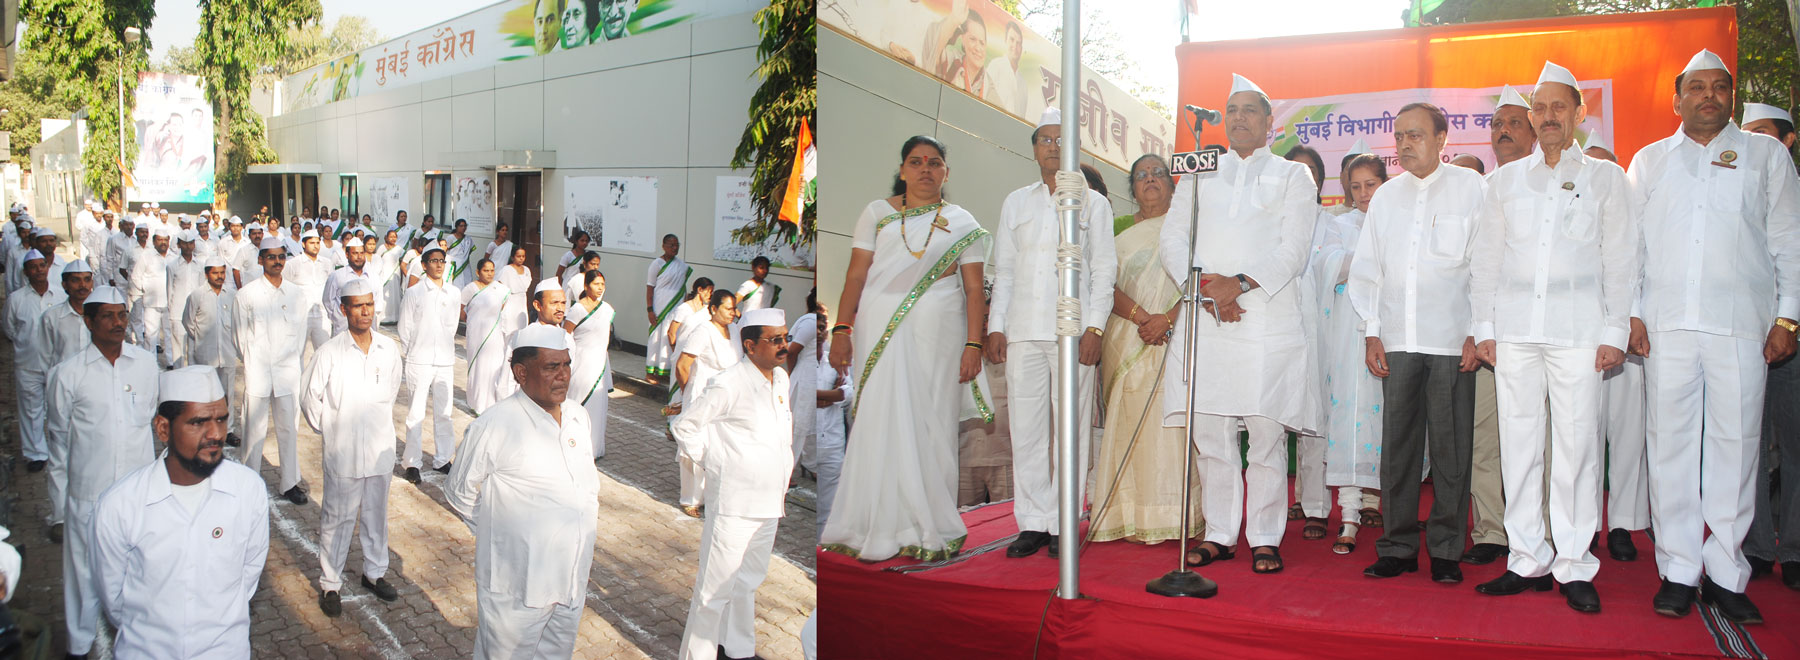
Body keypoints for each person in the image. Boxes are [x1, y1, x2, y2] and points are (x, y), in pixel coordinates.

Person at [1629, 49, 1800, 624]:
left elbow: (1788, 239)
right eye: (1696, 87)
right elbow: (1632, 247)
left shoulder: (1766, 155)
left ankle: (1727, 572)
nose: (1708, 96)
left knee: (1737, 448)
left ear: (1733, 96)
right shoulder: (1650, 161)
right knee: (1670, 448)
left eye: (1719, 87)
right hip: (1667, 325)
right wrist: (1629, 313)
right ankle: (1678, 569)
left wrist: (1789, 317)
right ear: (1676, 99)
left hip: (1741, 327)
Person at [1468, 62, 1636, 614]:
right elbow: (1486, 261)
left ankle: (1573, 564)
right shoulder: (1505, 182)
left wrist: (1614, 330)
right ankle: (1526, 559)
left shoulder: (1607, 178)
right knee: (1518, 447)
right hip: (1515, 331)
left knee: (1576, 449)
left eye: (1557, 107)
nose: (1546, 117)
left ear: (1578, 113)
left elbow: (1621, 260)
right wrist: (1484, 328)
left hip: (1579, 333)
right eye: (1539, 108)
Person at [1158, 75, 1315, 574]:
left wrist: (1241, 284)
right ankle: (1222, 534)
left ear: (1271, 123)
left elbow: (1294, 248)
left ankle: (1265, 535)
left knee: (1266, 434)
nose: (1240, 117)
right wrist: (1206, 288)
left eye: (1251, 110)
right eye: (1233, 110)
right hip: (1206, 314)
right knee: (1210, 431)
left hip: (1264, 316)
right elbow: (1173, 240)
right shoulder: (1199, 172)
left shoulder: (1294, 176)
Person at [821, 135, 991, 560]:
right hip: (878, 327)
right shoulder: (876, 213)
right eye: (916, 162)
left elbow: (974, 289)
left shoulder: (961, 221)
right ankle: (871, 524)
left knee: (931, 422)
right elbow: (856, 276)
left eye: (934, 163)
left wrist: (974, 343)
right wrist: (842, 329)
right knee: (880, 419)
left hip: (940, 334)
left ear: (946, 173)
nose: (925, 170)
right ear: (902, 170)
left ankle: (926, 524)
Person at [1348, 102, 1483, 585]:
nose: (1405, 144)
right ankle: (1398, 547)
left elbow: (1485, 265)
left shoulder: (1472, 189)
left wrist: (1478, 329)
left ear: (1443, 138)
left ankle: (1447, 549)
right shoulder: (1385, 197)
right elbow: (1368, 270)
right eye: (1399, 136)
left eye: (1417, 135)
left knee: (1451, 452)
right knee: (1398, 451)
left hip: (1452, 340)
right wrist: (1371, 331)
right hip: (1398, 339)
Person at [990, 107, 1116, 560]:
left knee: (1071, 430)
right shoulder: (1016, 202)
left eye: (1061, 140)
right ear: (1035, 149)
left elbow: (1104, 272)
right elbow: (1003, 270)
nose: (1053, 147)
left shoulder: (1093, 203)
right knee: (1024, 431)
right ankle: (1032, 523)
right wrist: (996, 326)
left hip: (1072, 332)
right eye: (1045, 139)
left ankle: (1065, 520)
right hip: (1022, 331)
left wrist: (1095, 328)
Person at [89, 366, 267, 658]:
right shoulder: (119, 505)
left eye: (221, 420)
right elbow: (115, 600)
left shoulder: (249, 491)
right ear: (163, 429)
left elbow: (247, 579)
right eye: (198, 422)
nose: (215, 434)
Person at [445, 324, 599, 659]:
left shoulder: (577, 416)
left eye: (566, 365)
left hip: (570, 579)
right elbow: (459, 492)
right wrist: (500, 534)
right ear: (520, 372)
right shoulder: (495, 424)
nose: (562, 376)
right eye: (550, 367)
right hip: (516, 585)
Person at [1090, 154, 1202, 545]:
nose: (1150, 180)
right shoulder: (1117, 228)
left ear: (1173, 184)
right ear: (1132, 188)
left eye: (1158, 174)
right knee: (1126, 421)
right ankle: (1124, 511)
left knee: (1171, 421)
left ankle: (1173, 512)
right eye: (1141, 176)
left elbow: (1200, 279)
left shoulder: (1191, 226)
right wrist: (1142, 318)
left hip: (1179, 330)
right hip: (1127, 334)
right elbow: (1101, 279)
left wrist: (1168, 319)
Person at [672, 308, 794, 660]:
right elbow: (686, 426)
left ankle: (739, 649)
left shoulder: (781, 380)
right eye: (776, 340)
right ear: (750, 345)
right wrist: (718, 463)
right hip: (735, 503)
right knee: (713, 590)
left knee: (748, 582)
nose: (784, 345)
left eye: (785, 338)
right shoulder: (729, 382)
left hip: (770, 501)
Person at [45, 285, 160, 658]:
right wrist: (59, 506)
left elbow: (154, 422)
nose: (117, 322)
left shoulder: (144, 364)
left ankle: (140, 639)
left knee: (139, 568)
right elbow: (59, 445)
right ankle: (80, 645)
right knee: (83, 574)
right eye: (107, 316)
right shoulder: (67, 375)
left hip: (136, 492)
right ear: (88, 320)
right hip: (88, 493)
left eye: (122, 314)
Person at [1463, 85, 1540, 568]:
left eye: (1514, 122)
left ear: (1535, 130)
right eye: (1496, 124)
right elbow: (1471, 268)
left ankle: (1549, 529)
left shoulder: (1551, 181)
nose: (1504, 131)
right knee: (1484, 436)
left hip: (1542, 334)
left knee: (1544, 438)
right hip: (1490, 337)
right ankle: (1491, 530)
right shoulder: (1479, 189)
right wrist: (1475, 328)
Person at [301, 279, 404, 617]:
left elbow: (389, 393)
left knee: (376, 516)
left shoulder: (389, 350)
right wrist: (331, 429)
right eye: (357, 306)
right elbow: (309, 398)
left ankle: (374, 574)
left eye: (369, 305)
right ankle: (330, 583)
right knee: (337, 518)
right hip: (343, 454)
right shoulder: (329, 352)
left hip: (378, 450)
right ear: (343, 309)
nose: (365, 312)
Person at [1309, 153, 1388, 555]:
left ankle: (1391, 509)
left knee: (1391, 421)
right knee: (1350, 418)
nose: (1362, 194)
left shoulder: (1398, 222)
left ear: (1384, 184)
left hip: (1393, 334)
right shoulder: (1338, 225)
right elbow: (1325, 266)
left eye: (1370, 185)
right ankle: (1350, 516)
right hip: (1347, 337)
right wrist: (1370, 264)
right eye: (1354, 186)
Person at [1743, 101, 1800, 588]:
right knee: (1749, 446)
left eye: (1764, 134)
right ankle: (1758, 546)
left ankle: (1796, 548)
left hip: (1794, 338)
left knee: (1797, 444)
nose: (1754, 144)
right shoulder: (1743, 190)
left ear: (1787, 140)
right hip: (1750, 335)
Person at [232, 237, 311, 505]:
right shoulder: (247, 295)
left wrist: (289, 362)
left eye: (281, 257)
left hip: (288, 371)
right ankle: (248, 482)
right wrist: (254, 360)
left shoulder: (297, 294)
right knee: (253, 428)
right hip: (258, 370)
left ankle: (289, 483)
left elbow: (300, 336)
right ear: (260, 260)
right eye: (271, 257)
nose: (277, 261)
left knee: (289, 428)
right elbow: (239, 337)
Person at [672, 290, 741, 518]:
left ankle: (713, 496)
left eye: (733, 308)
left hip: (726, 398)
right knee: (695, 446)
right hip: (702, 394)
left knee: (719, 446)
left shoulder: (735, 331)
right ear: (713, 309)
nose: (733, 313)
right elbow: (683, 365)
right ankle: (690, 499)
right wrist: (688, 394)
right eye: (728, 308)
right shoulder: (703, 331)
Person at [399, 247, 462, 484]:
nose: (438, 265)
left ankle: (443, 459)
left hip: (444, 360)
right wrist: (414, 351)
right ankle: (412, 462)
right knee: (416, 413)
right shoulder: (415, 292)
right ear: (424, 265)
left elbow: (452, 325)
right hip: (420, 359)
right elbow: (404, 328)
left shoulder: (453, 293)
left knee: (444, 413)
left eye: (441, 261)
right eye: (433, 261)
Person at [6, 250, 63, 472]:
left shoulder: (59, 296)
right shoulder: (16, 299)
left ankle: (59, 448)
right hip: (27, 364)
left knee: (57, 408)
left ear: (47, 268)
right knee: (31, 410)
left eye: (42, 265)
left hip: (55, 363)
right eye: (33, 267)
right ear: (26, 272)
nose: (39, 270)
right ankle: (36, 453)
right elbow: (10, 329)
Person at [185, 257, 242, 449]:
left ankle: (228, 431)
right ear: (207, 274)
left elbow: (237, 322)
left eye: (222, 272)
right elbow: (189, 323)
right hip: (206, 354)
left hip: (226, 352)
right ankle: (204, 429)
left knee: (227, 394)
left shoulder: (232, 295)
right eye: (215, 273)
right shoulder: (197, 296)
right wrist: (203, 339)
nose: (219, 276)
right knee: (206, 394)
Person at [565, 270, 615, 463]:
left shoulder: (608, 309)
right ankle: (573, 444)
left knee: (598, 405)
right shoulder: (577, 309)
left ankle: (594, 448)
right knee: (577, 403)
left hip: (600, 365)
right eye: (596, 284)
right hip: (580, 363)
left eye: (603, 284)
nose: (600, 288)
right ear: (586, 286)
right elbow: (566, 335)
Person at [463, 259, 514, 414]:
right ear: (478, 272)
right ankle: (477, 403)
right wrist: (473, 323)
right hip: (476, 335)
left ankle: (491, 403)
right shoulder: (470, 289)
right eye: (486, 270)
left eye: (492, 270)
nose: (490, 273)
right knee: (478, 367)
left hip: (494, 336)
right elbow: (461, 309)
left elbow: (501, 308)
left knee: (493, 367)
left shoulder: (500, 289)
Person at [647, 233, 693, 384]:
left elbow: (682, 287)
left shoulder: (681, 265)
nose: (674, 248)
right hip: (659, 306)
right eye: (671, 245)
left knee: (671, 337)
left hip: (676, 306)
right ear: (663, 246)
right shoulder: (657, 264)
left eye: (676, 245)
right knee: (657, 337)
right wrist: (650, 309)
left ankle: (665, 371)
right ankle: (651, 372)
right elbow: (650, 287)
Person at [288, 229, 335, 355]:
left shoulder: (327, 263)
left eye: (317, 243)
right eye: (312, 243)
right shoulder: (293, 263)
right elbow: (284, 287)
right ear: (303, 244)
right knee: (301, 353)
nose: (315, 246)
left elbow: (331, 288)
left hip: (322, 315)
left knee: (324, 351)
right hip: (301, 315)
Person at [128, 226, 172, 359]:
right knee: (150, 334)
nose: (163, 243)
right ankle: (151, 362)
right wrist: (146, 289)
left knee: (169, 333)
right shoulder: (146, 256)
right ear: (154, 241)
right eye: (159, 240)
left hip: (169, 303)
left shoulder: (173, 257)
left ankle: (171, 362)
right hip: (151, 303)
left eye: (165, 240)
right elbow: (136, 276)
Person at [165, 230, 205, 367]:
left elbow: (202, 289)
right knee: (178, 351)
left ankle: (193, 381)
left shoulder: (200, 265)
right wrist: (172, 313)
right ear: (179, 245)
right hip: (177, 312)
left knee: (194, 351)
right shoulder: (172, 266)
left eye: (190, 243)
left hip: (196, 314)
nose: (188, 247)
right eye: (184, 244)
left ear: (194, 245)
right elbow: (169, 291)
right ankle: (178, 379)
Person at [323, 240, 379, 335]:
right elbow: (327, 300)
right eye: (355, 253)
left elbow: (377, 301)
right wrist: (338, 317)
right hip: (343, 327)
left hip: (368, 327)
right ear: (347, 255)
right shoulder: (337, 276)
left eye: (362, 253)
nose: (359, 257)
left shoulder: (374, 276)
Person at [664, 278, 717, 358]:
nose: (711, 294)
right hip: (682, 352)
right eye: (709, 291)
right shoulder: (683, 308)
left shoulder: (707, 310)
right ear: (700, 290)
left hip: (700, 353)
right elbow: (671, 332)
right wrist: (675, 350)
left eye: (712, 292)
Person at [498, 246, 535, 334]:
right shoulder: (506, 269)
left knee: (521, 326)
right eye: (518, 256)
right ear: (513, 257)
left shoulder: (527, 270)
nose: (521, 258)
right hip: (510, 300)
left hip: (521, 301)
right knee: (509, 327)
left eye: (523, 256)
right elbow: (500, 286)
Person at [446, 219, 476, 286]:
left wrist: (463, 259)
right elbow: (445, 250)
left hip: (465, 265)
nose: (463, 228)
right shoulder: (450, 238)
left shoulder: (468, 238)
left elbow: (469, 251)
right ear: (456, 227)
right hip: (454, 265)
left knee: (467, 282)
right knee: (456, 283)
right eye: (461, 226)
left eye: (465, 226)